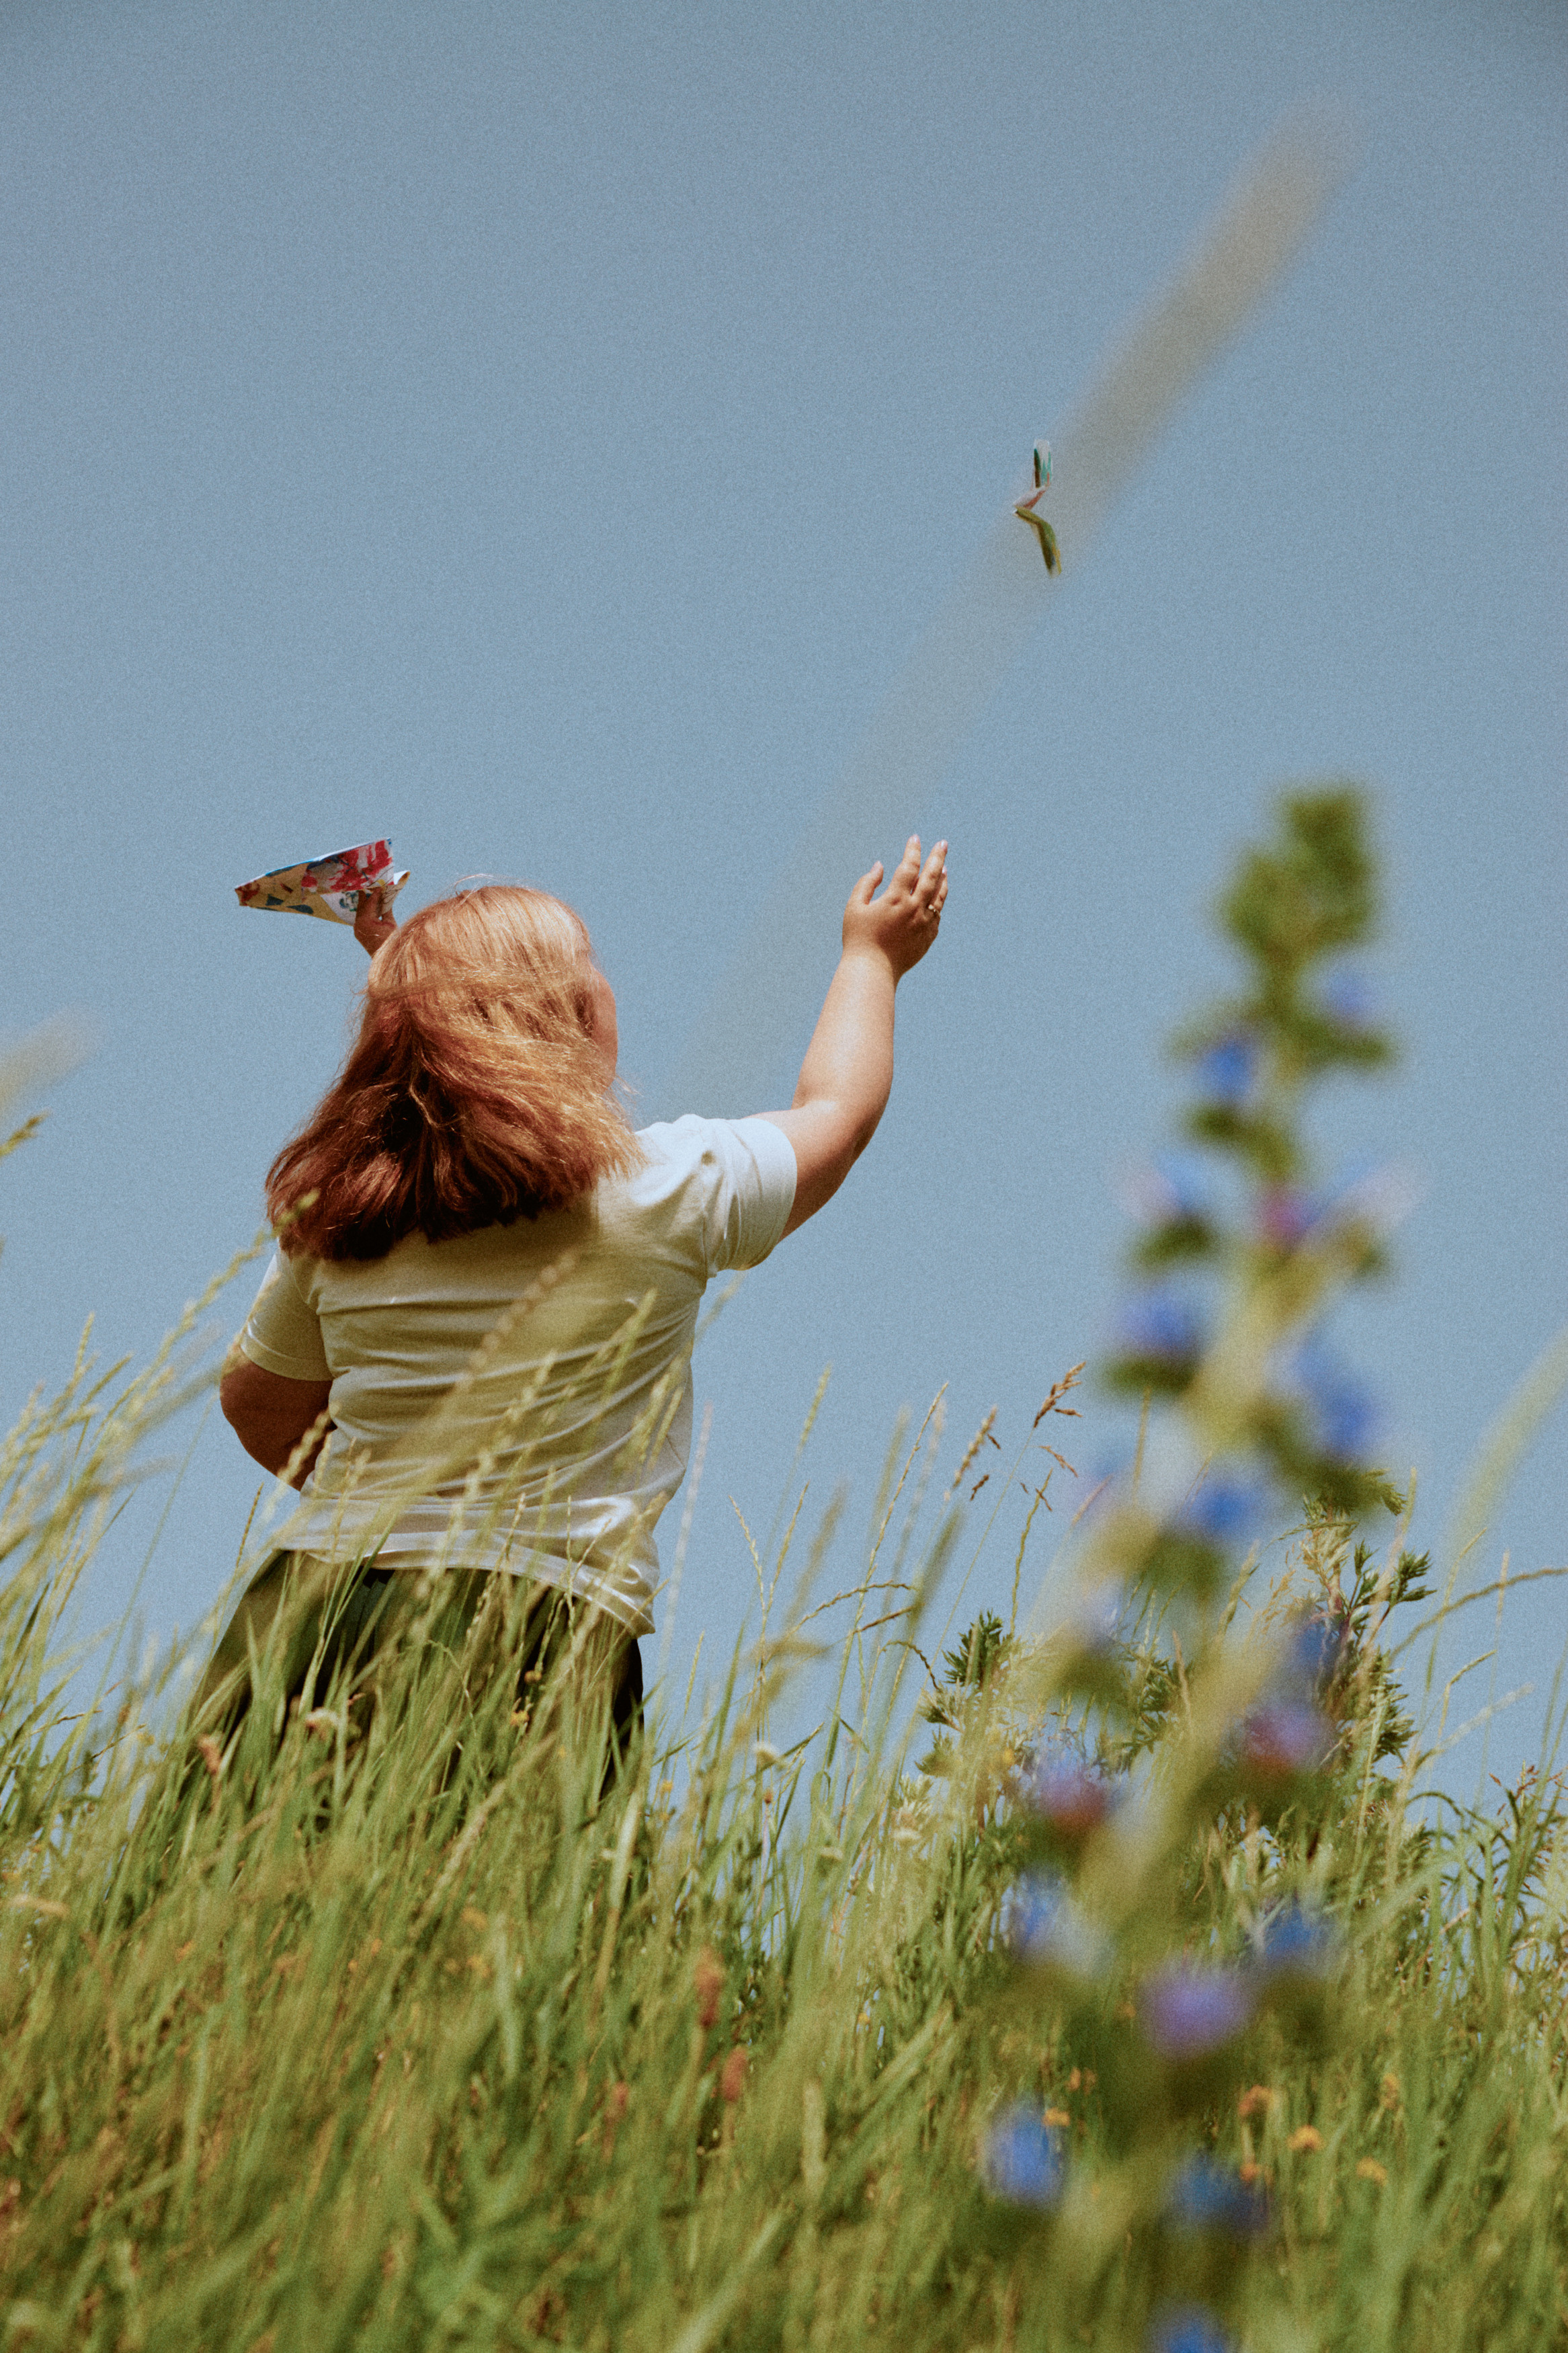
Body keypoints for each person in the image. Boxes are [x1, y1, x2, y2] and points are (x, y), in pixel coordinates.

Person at [200, 833, 950, 1767]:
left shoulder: (347, 1215)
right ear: (577, 1017)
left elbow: (257, 1404)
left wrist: (409, 1494)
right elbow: (837, 1114)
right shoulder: (667, 1188)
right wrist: (869, 959)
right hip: (538, 1631)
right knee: (503, 1906)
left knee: (244, 1897)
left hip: (317, 1608)